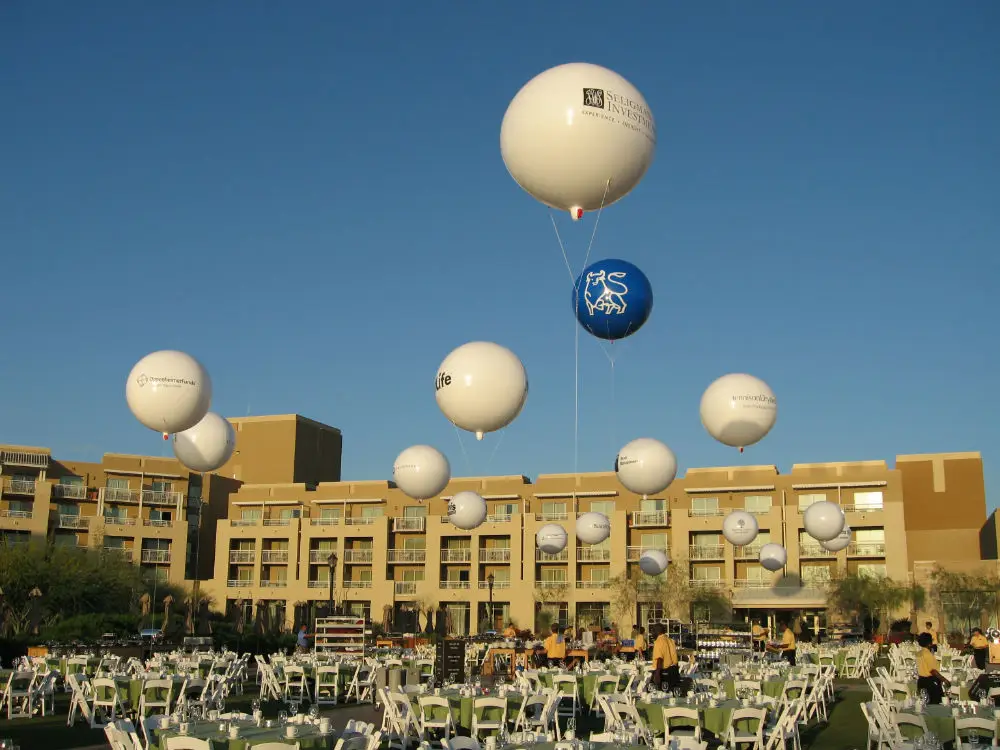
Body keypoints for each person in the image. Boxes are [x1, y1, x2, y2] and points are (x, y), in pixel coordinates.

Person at [916, 632, 950, 704]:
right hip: (930, 683)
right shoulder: (927, 654)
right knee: (935, 704)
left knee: (924, 704)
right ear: (929, 643)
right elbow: (933, 671)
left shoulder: (919, 653)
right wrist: (944, 680)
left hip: (921, 681)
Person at [652, 625, 680, 691]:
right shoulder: (670, 640)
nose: (652, 633)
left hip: (664, 672)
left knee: (662, 694)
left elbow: (659, 658)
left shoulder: (659, 641)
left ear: (658, 631)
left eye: (653, 631)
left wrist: (657, 674)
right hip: (673, 670)